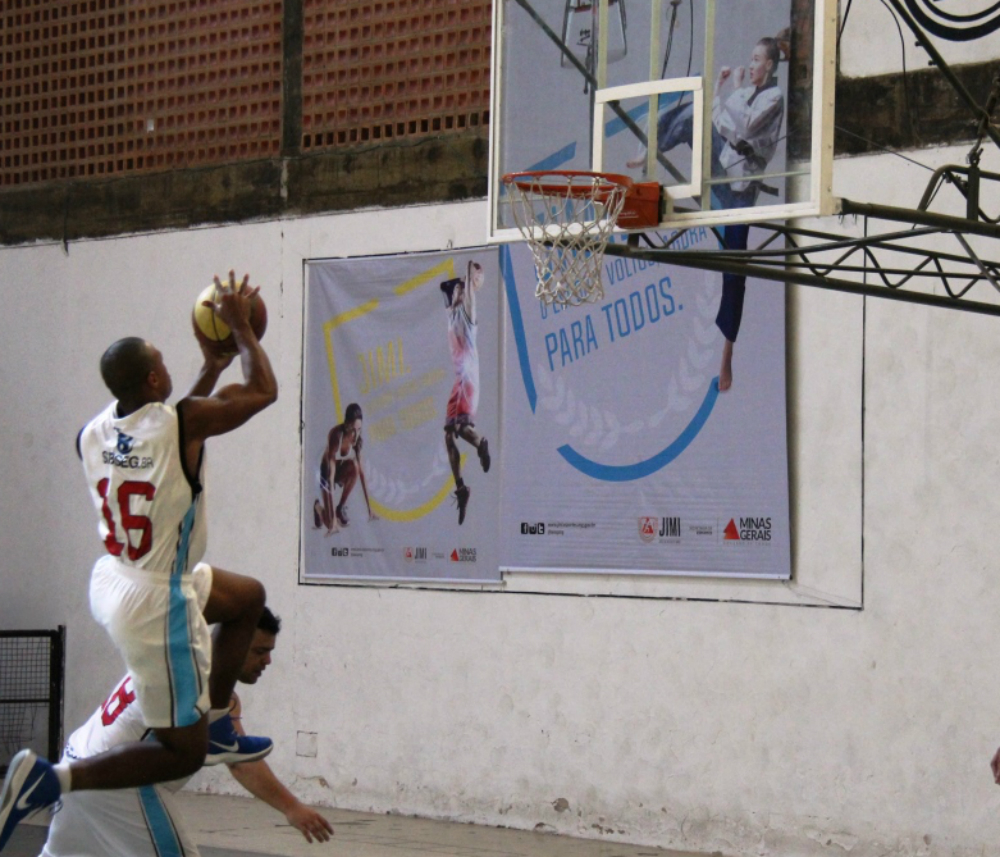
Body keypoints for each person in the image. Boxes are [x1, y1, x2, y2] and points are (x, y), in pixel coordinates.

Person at [0, 272, 279, 852]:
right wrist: (242, 332)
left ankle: (221, 718)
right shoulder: (180, 423)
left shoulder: (93, 431)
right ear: (155, 377)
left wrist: (211, 364)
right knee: (183, 751)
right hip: (157, 597)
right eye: (161, 361)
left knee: (247, 597)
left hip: (115, 577)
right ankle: (51, 780)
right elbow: (263, 394)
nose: (169, 364)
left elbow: (170, 427)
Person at [39, 592, 334, 857]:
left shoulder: (182, 663)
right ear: (232, 646)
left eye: (270, 651)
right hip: (122, 784)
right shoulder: (197, 685)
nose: (268, 660)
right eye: (259, 651)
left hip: (75, 765)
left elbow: (238, 758)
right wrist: (292, 807)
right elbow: (240, 764)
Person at [629, 37, 785, 391]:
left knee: (735, 271)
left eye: (757, 58)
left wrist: (736, 95)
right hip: (724, 167)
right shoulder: (745, 93)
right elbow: (719, 118)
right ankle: (649, 149)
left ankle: (726, 355)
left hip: (741, 187)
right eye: (751, 57)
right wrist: (720, 89)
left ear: (770, 65)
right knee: (694, 115)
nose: (752, 63)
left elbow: (742, 126)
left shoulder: (772, 99)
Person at [441, 260, 490, 525]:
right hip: (457, 381)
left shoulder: (469, 314)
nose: (457, 290)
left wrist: (471, 275)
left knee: (460, 430)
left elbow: (469, 291)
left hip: (470, 378)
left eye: (460, 288)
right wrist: (458, 283)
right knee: (448, 436)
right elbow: (445, 289)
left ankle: (481, 442)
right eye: (457, 289)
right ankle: (461, 488)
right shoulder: (450, 312)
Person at [312, 402, 377, 536]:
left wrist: (370, 509)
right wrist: (334, 521)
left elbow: (362, 474)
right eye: (353, 429)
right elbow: (330, 476)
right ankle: (318, 508)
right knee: (330, 524)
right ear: (347, 425)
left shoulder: (357, 440)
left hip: (340, 468)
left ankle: (340, 507)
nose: (356, 434)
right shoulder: (336, 435)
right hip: (326, 471)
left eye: (359, 429)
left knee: (355, 466)